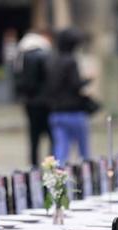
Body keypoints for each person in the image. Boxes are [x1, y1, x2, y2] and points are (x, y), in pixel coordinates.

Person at [45, 28, 91, 165]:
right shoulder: (71, 61)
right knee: (83, 150)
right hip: (74, 111)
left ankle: (58, 179)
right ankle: (87, 177)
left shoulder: (52, 61)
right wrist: (88, 79)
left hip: (56, 111)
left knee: (60, 149)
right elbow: (75, 84)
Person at [13, 30, 52, 167]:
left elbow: (18, 80)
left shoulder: (21, 56)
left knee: (33, 136)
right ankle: (50, 165)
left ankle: (33, 165)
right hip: (45, 102)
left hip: (30, 102)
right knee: (51, 135)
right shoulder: (45, 55)